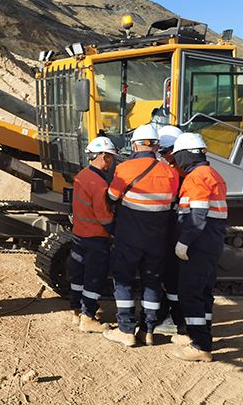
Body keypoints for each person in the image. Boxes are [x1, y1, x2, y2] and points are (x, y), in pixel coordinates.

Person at [102, 124, 180, 347]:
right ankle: (148, 330)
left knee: (124, 280)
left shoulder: (125, 168)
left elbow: (112, 197)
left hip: (129, 237)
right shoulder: (171, 173)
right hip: (157, 240)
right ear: (156, 146)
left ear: (135, 145)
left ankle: (126, 330)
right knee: (152, 282)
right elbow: (171, 203)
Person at [170, 132, 228, 362]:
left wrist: (183, 242)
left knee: (190, 294)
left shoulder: (196, 177)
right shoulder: (213, 174)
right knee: (204, 293)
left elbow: (198, 215)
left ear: (185, 155)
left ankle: (200, 345)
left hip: (198, 245)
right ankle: (203, 336)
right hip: (212, 242)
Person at [69, 136, 117, 332]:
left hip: (79, 233)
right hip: (96, 236)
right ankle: (88, 317)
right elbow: (103, 215)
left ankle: (77, 311)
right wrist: (115, 230)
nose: (112, 163)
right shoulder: (99, 183)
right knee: (94, 277)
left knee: (79, 274)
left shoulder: (82, 175)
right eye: (111, 158)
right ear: (104, 156)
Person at [155, 125, 187, 337]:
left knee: (174, 277)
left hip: (179, 231)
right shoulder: (179, 169)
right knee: (169, 277)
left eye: (166, 152)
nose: (163, 156)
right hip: (175, 229)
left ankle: (177, 320)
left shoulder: (181, 173)